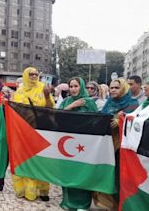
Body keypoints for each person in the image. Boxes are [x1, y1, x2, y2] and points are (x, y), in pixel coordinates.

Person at [12, 67, 54, 202]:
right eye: (31, 74)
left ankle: (42, 190)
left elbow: (51, 108)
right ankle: (25, 190)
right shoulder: (19, 91)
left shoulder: (43, 88)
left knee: (41, 160)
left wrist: (47, 96)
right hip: (23, 131)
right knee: (25, 160)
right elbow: (15, 110)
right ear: (25, 75)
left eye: (36, 74)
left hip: (40, 130)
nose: (34, 76)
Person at [97, 78, 139, 209]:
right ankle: (108, 204)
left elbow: (137, 123)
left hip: (122, 149)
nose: (113, 90)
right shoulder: (108, 103)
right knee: (106, 173)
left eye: (116, 88)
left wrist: (122, 121)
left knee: (119, 176)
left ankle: (120, 204)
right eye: (111, 88)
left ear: (124, 89)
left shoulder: (133, 104)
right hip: (107, 145)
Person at [58, 77, 98, 210]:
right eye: (71, 86)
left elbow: (96, 121)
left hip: (84, 144)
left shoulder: (89, 103)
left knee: (82, 172)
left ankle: (82, 204)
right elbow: (58, 117)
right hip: (66, 143)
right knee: (67, 172)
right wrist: (72, 106)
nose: (73, 89)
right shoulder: (66, 101)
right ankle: (68, 202)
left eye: (76, 86)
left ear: (81, 87)